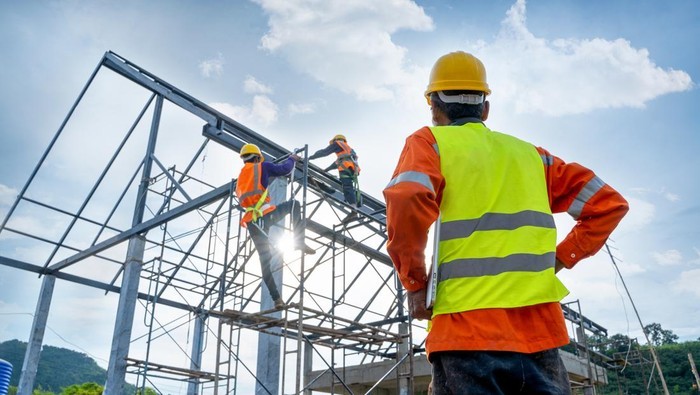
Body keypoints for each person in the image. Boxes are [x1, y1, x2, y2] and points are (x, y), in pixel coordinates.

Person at [383, 51, 629, 394]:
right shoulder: (532, 156)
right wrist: (559, 259)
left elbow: (407, 197)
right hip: (540, 335)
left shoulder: (429, 143)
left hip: (464, 332)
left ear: (434, 107)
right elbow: (609, 204)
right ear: (485, 108)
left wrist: (413, 283)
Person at [235, 143, 316, 308]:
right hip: (265, 214)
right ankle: (298, 241)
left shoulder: (241, 176)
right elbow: (284, 170)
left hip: (252, 221)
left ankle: (277, 300)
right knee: (294, 205)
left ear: (244, 159)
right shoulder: (262, 166)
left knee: (264, 261)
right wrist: (292, 159)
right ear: (257, 157)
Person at [309, 134, 362, 209]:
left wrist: (310, 157)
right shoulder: (349, 149)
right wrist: (326, 170)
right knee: (348, 186)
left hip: (345, 168)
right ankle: (352, 203)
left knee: (347, 187)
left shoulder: (338, 143)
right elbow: (337, 163)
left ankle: (353, 205)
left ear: (336, 140)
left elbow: (324, 152)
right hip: (353, 170)